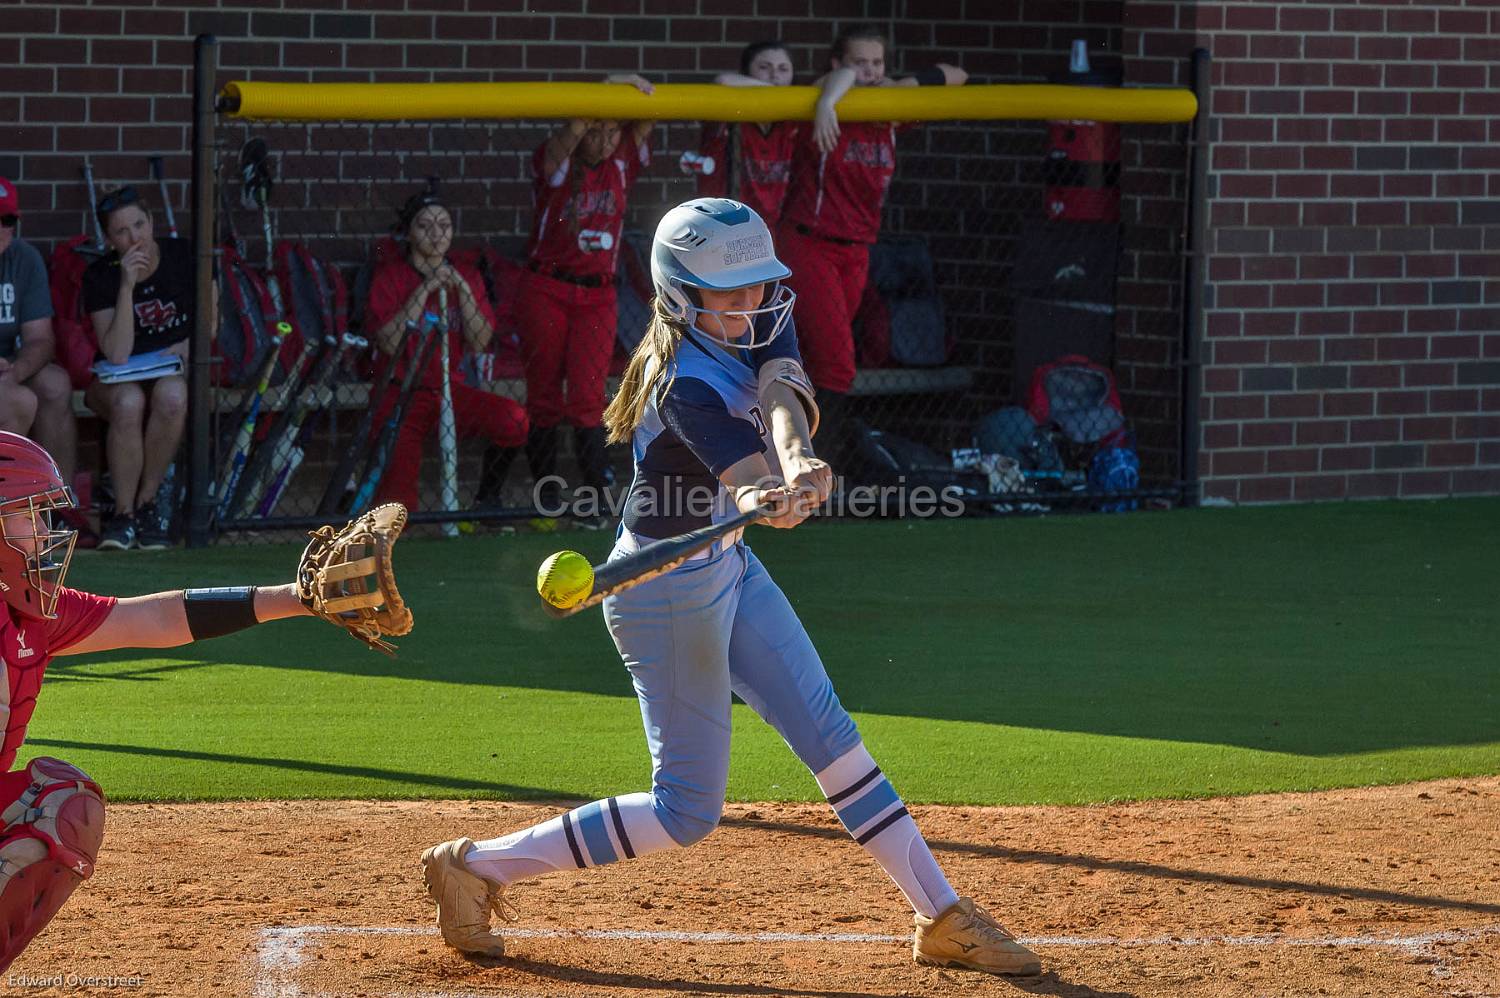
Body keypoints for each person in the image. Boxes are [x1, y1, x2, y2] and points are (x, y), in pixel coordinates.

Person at [419, 198, 1041, 979]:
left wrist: (799, 456)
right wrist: (768, 495)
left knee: (830, 734)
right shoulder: (680, 382)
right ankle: (476, 866)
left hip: (731, 568)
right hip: (665, 593)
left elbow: (780, 393)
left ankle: (943, 916)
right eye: (732, 290)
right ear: (681, 295)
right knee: (685, 812)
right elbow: (745, 481)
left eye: (757, 284)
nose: (754, 301)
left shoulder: (752, 314)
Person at [0, 430, 334, 973]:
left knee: (62, 804)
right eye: (25, 515)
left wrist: (299, 598)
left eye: (43, 516)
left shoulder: (34, 616)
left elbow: (149, 618)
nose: (43, 534)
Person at [775, 26, 966, 460]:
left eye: (877, 63)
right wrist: (827, 101)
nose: (870, 72)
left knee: (819, 359)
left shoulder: (888, 105)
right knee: (839, 364)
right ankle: (821, 470)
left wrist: (900, 85)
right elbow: (833, 84)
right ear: (837, 65)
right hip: (810, 243)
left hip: (857, 249)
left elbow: (957, 76)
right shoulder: (829, 97)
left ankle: (789, 456)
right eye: (860, 62)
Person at [514, 74, 655, 515]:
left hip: (597, 295)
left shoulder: (622, 161)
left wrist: (619, 83)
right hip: (547, 288)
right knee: (544, 396)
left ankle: (594, 497)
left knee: (589, 396)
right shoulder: (557, 161)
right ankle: (548, 497)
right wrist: (591, 106)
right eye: (596, 129)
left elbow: (646, 110)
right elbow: (569, 134)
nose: (606, 139)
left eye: (613, 130)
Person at [365, 187, 528, 512]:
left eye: (444, 225)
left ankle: (487, 500)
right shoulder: (391, 276)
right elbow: (389, 341)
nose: (436, 234)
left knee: (514, 420)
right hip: (401, 393)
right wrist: (425, 289)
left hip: (448, 391)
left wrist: (463, 291)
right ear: (409, 233)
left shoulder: (465, 275)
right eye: (425, 226)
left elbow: (480, 341)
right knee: (398, 505)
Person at [81, 186, 193, 551]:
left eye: (139, 225)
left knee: (173, 394)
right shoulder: (101, 275)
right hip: (119, 381)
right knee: (129, 402)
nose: (134, 238)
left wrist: (187, 346)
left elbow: (210, 326)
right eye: (121, 232)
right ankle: (123, 516)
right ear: (110, 240)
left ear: (152, 222)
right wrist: (127, 286)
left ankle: (147, 504)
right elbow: (116, 353)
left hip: (170, 373)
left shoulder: (184, 256)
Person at [0, 178, 79, 493]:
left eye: (6, 220)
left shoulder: (24, 258)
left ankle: (59, 500)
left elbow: (41, 339)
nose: (0, 228)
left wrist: (15, 371)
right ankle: (11, 511)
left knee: (55, 385)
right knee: (19, 402)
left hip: (8, 364)